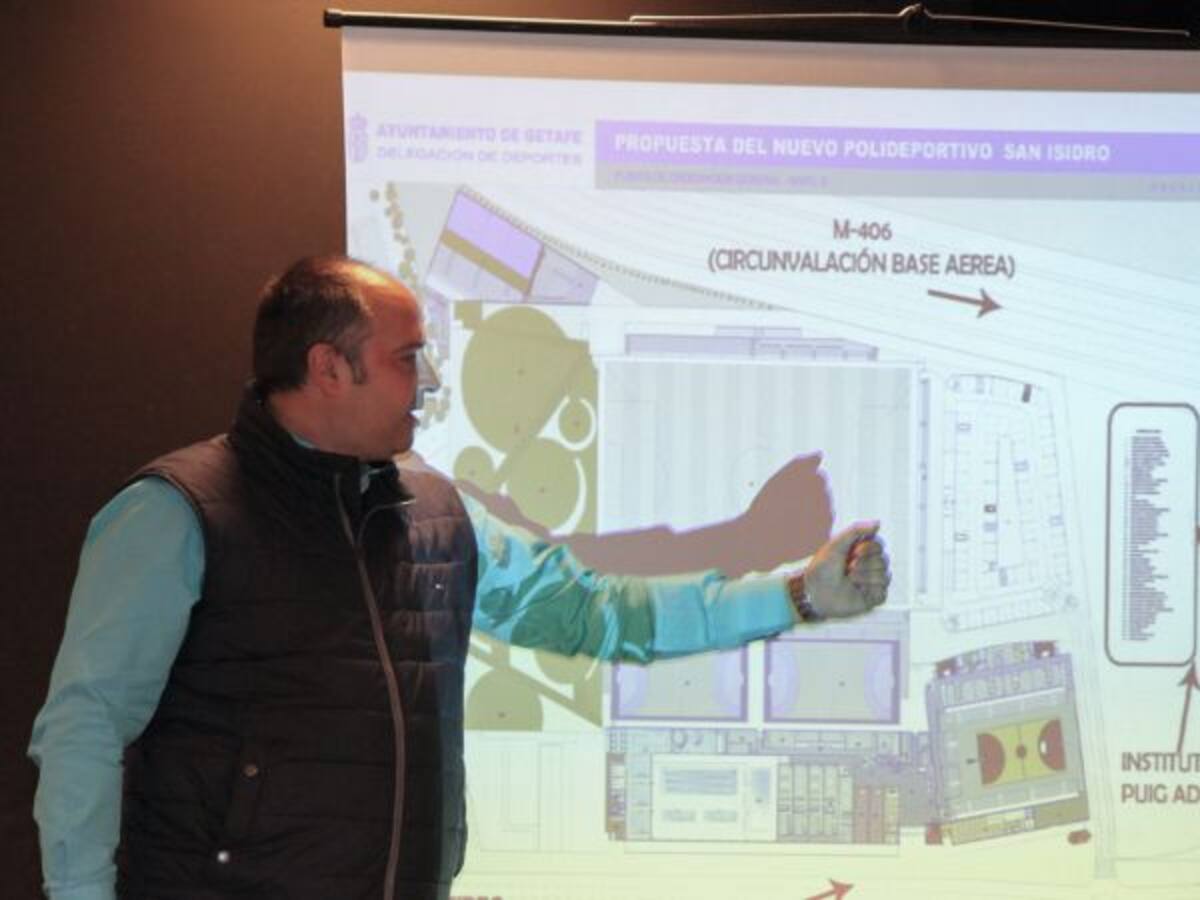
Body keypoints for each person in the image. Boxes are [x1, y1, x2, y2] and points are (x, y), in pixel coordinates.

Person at [29, 255, 890, 900]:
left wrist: (798, 596)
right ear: (328, 368)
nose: (431, 382)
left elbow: (598, 612)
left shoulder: (436, 515)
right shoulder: (176, 513)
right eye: (408, 359)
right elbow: (84, 725)